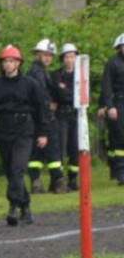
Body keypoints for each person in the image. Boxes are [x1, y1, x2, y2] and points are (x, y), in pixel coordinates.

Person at [0, 45, 49, 226]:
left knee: (17, 168)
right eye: (5, 61)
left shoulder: (30, 84)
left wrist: (43, 133)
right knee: (10, 172)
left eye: (11, 61)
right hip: (4, 128)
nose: (8, 65)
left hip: (25, 130)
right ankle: (26, 207)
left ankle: (13, 206)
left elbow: (41, 109)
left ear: (18, 63)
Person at [26, 38, 66, 194]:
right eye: (45, 54)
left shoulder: (37, 72)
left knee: (35, 153)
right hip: (44, 118)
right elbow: (41, 98)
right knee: (53, 151)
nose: (48, 58)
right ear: (37, 54)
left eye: (50, 55)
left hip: (35, 118)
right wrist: (50, 104)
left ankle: (36, 182)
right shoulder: (38, 74)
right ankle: (58, 181)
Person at [51, 43, 80, 191]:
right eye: (67, 57)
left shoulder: (80, 75)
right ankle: (58, 180)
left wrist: (66, 92)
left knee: (75, 148)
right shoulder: (56, 75)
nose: (69, 59)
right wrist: (70, 93)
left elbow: (80, 95)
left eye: (72, 56)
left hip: (76, 115)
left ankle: (73, 179)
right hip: (61, 115)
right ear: (62, 59)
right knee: (60, 148)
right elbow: (58, 94)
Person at [98, 32, 124, 185]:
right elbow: (106, 87)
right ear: (119, 47)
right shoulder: (113, 63)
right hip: (119, 104)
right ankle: (120, 172)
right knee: (120, 138)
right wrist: (110, 107)